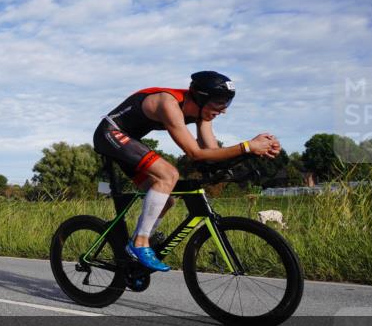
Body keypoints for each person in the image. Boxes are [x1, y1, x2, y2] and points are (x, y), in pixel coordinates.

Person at [93, 71, 281, 272]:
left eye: (228, 103)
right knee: (169, 175)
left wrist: (256, 150)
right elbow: (196, 153)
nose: (224, 110)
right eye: (219, 103)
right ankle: (140, 243)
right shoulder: (169, 104)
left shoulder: (203, 114)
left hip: (130, 140)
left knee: (167, 199)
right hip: (110, 134)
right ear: (200, 98)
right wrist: (247, 146)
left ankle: (133, 251)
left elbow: (212, 154)